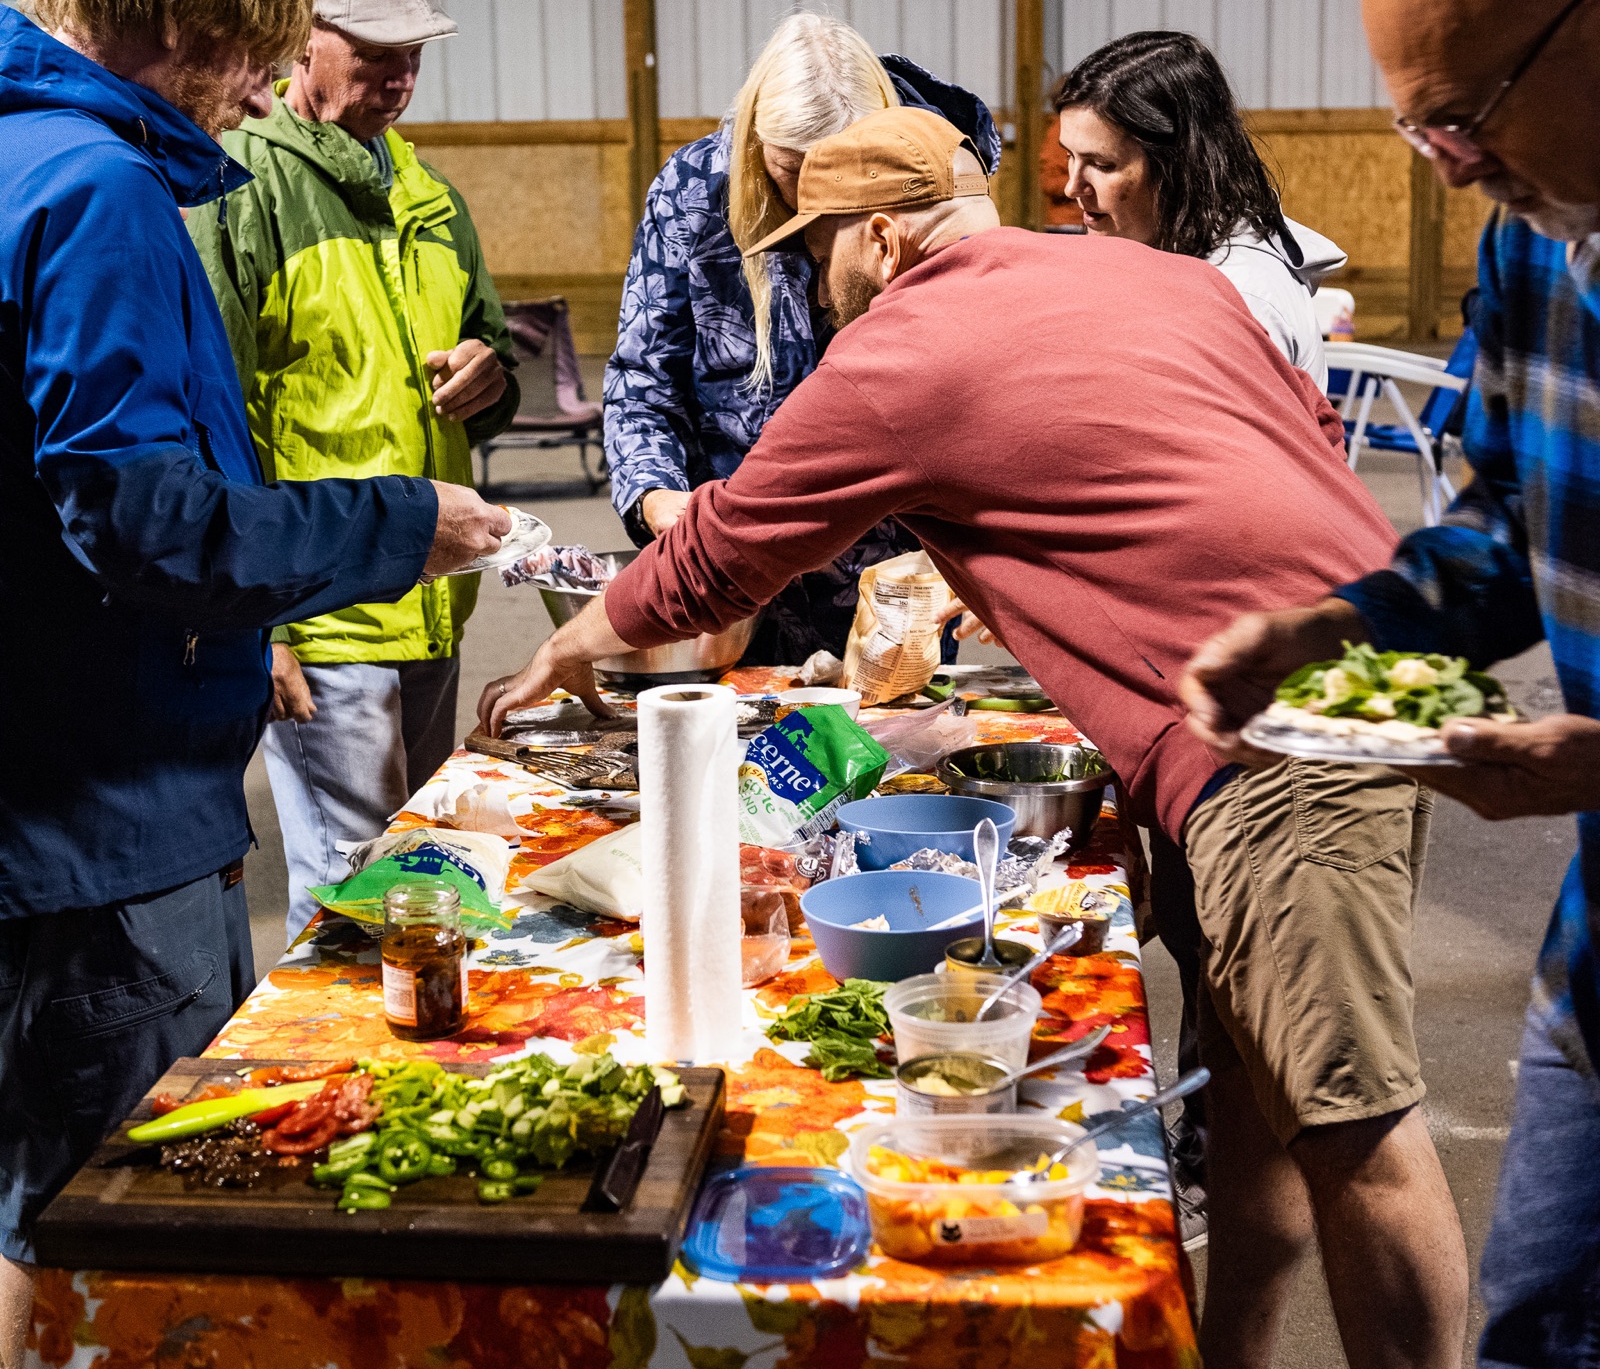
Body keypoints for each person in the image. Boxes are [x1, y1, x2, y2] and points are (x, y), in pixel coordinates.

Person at [483, 107, 1467, 1369]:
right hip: (1369, 679)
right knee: (1262, 1109)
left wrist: (569, 644)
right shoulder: (1158, 275)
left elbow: (718, 557)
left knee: (1352, 1124)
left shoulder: (901, 347)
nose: (805, 284)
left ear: (882, 237)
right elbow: (1275, 448)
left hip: (1265, 745)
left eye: (813, 252)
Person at [0, 0, 507, 1353]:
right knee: (128, 1205)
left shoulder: (24, 156)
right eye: (258, 50)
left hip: (49, 794)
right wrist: (394, 527)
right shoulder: (96, 191)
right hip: (105, 818)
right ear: (187, 26)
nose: (265, 82)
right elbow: (141, 516)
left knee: (45, 1183)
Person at [1181, 0, 1600, 1369]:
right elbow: (1495, 529)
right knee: (1542, 1331)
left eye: (1466, 118)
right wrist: (1336, 625)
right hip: (1596, 965)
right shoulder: (1536, 253)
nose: (1457, 165)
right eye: (1426, 134)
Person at [190, 0, 520, 941]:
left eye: (413, 55)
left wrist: (488, 370)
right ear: (301, 40)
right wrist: (263, 627)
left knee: (425, 879)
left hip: (433, 601)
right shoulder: (236, 189)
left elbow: (496, 345)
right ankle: (322, 1094)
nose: (401, 78)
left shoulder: (429, 196)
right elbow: (214, 419)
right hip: (323, 615)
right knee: (354, 902)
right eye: (376, 54)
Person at [603, 10, 1001, 662]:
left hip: (892, 586)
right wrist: (654, 496)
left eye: (836, 177)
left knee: (893, 755)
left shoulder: (937, 181)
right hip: (735, 582)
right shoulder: (693, 190)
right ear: (759, 139)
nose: (809, 199)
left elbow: (977, 384)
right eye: (790, 170)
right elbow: (643, 378)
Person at [1055, 29, 1343, 390]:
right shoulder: (1169, 251)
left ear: (1179, 166)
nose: (1072, 187)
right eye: (1070, 156)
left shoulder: (1241, 300)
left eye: (1102, 164)